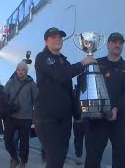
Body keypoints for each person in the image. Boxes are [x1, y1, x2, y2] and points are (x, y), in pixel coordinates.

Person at [34, 27, 96, 168]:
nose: (58, 39)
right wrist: (82, 63)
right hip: (47, 117)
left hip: (64, 118)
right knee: (54, 157)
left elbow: (69, 90)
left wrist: (77, 113)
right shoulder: (42, 58)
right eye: (53, 37)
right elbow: (61, 75)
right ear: (46, 41)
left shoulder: (64, 61)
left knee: (60, 157)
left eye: (60, 37)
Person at [84, 32, 125, 168]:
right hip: (97, 118)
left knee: (121, 154)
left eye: (120, 43)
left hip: (119, 118)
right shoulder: (96, 64)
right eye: (114, 42)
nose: (118, 45)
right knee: (93, 155)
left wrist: (116, 108)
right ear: (108, 45)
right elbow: (86, 87)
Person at [4, 61, 38, 168]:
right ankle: (15, 158)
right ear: (16, 70)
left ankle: (23, 162)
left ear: (26, 71)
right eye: (18, 69)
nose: (20, 72)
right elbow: (4, 97)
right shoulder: (10, 82)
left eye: (23, 70)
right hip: (12, 116)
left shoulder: (31, 84)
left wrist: (35, 116)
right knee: (8, 140)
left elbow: (36, 100)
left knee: (24, 142)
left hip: (26, 117)